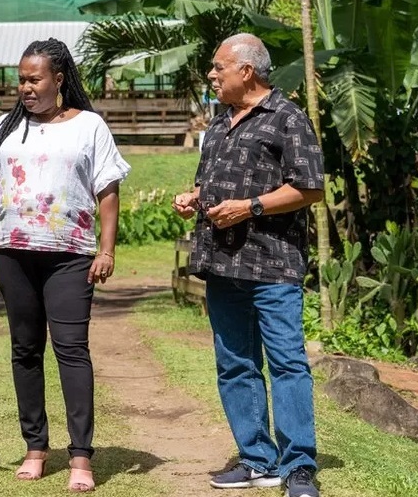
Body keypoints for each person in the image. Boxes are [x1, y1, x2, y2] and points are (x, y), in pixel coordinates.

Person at [0, 38, 130, 493]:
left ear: (58, 80)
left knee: (71, 348)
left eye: (34, 78)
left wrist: (107, 250)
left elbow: (108, 192)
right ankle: (35, 447)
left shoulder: (90, 126)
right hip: (13, 253)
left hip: (70, 255)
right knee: (24, 350)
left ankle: (81, 457)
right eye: (20, 79)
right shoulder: (3, 127)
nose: (25, 87)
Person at [172, 33, 324, 497]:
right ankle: (257, 459)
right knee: (235, 363)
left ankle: (298, 466)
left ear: (247, 71)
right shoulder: (218, 124)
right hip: (221, 263)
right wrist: (195, 197)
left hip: (273, 265)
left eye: (219, 68)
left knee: (287, 363)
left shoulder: (288, 118)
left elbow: (311, 188)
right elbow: (213, 183)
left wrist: (250, 207)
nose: (212, 76)